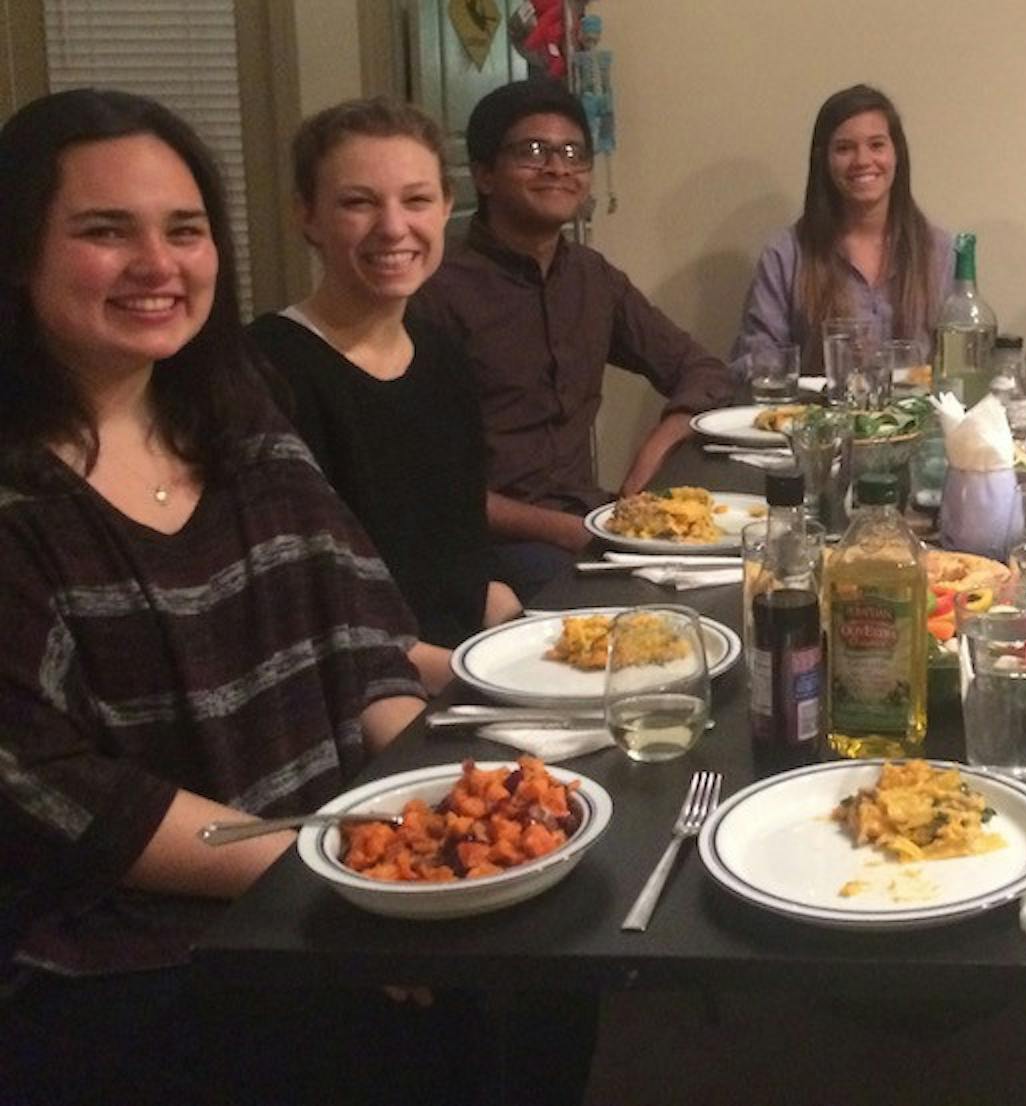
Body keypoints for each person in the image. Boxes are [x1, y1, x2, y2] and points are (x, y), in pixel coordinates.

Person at [0, 87, 441, 1105]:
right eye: (106, 232)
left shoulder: (234, 406)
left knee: (529, 988)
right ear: (19, 252)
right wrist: (342, 878)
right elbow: (65, 796)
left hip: (324, 870)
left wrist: (431, 824)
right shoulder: (23, 495)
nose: (158, 265)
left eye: (184, 230)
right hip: (120, 956)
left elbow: (358, 624)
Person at [410, 79, 731, 598]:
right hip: (496, 544)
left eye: (573, 153)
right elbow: (432, 486)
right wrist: (577, 532)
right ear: (485, 175)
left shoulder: (590, 277)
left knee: (739, 569)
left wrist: (650, 456)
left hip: (586, 515)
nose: (557, 167)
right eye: (532, 152)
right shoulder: (437, 289)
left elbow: (702, 368)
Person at [249, 97, 518, 692]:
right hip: (369, 692)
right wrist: (491, 681)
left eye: (416, 200)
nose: (393, 227)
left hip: (468, 663)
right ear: (307, 216)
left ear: (447, 208)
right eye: (358, 202)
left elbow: (462, 549)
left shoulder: (441, 352)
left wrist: (520, 631)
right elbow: (309, 605)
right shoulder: (265, 371)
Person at [730, 83, 951, 376]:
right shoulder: (785, 254)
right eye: (845, 148)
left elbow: (959, 368)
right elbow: (755, 361)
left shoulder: (940, 251)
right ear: (824, 160)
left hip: (917, 419)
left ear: (897, 154)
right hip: (814, 418)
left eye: (876, 145)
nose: (862, 161)